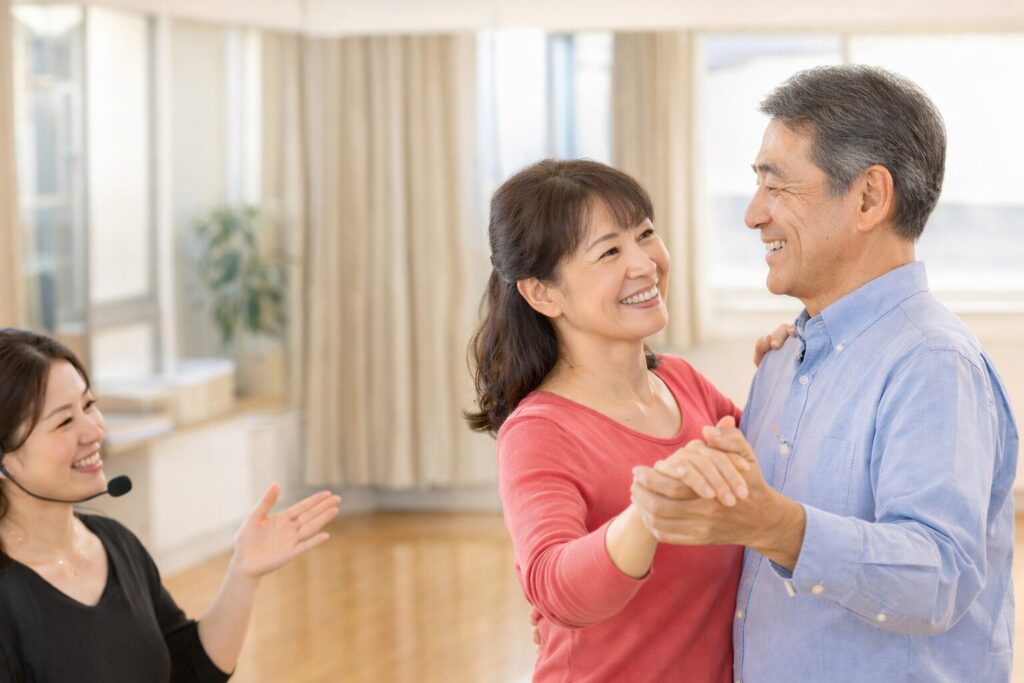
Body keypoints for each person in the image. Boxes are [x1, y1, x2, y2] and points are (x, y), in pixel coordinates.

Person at [631, 65, 1019, 682]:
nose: (752, 214)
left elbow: (938, 577)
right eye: (756, 184)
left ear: (868, 198)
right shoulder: (784, 358)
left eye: (776, 186)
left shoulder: (932, 363)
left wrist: (776, 527)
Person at [466, 159, 790, 682]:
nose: (644, 263)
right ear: (542, 293)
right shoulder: (540, 431)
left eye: (645, 234)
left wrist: (785, 380)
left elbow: (781, 473)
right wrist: (651, 512)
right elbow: (554, 587)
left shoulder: (682, 383)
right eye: (609, 252)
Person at [0, 328, 342, 681]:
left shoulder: (117, 544)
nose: (94, 430)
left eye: (88, 405)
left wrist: (243, 574)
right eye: (64, 421)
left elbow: (188, 669)